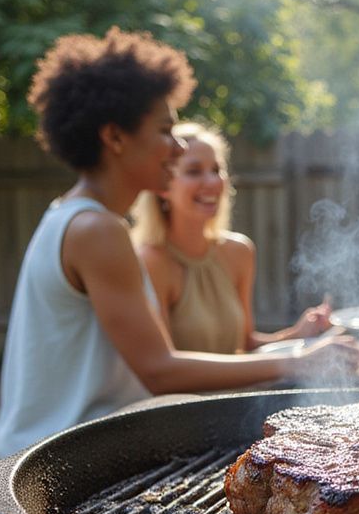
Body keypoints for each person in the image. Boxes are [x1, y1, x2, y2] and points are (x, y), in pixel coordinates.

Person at [0, 28, 359, 458]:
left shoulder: (78, 217)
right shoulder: (96, 230)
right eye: (166, 130)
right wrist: (298, 361)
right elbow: (160, 372)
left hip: (74, 447)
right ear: (114, 137)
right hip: (56, 456)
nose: (179, 145)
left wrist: (297, 343)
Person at [130, 122, 331, 354]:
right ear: (163, 185)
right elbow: (166, 368)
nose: (213, 182)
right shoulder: (149, 262)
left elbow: (245, 345)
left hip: (240, 390)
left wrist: (300, 333)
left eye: (216, 170)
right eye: (194, 171)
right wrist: (294, 362)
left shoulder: (239, 251)